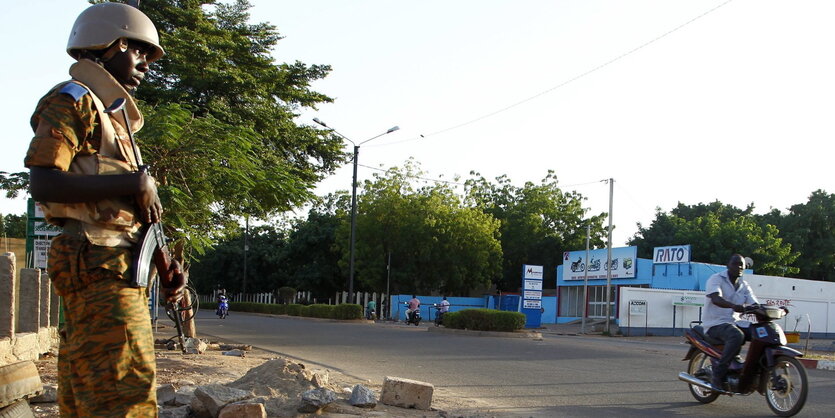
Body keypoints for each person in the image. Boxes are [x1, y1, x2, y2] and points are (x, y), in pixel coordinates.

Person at [24, 3, 184, 416]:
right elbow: (42, 182)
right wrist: (134, 183)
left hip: (110, 265)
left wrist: (166, 274)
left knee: (91, 399)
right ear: (110, 44)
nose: (146, 65)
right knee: (127, 397)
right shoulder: (73, 99)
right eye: (139, 53)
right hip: (99, 265)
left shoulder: (114, 118)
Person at [702, 254, 759, 391]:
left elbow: (754, 303)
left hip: (735, 322)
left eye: (742, 265)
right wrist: (733, 306)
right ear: (728, 265)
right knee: (736, 335)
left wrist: (773, 310)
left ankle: (750, 369)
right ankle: (718, 375)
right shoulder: (716, 279)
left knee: (759, 333)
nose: (739, 267)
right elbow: (716, 298)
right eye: (735, 264)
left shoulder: (744, 285)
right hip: (715, 324)